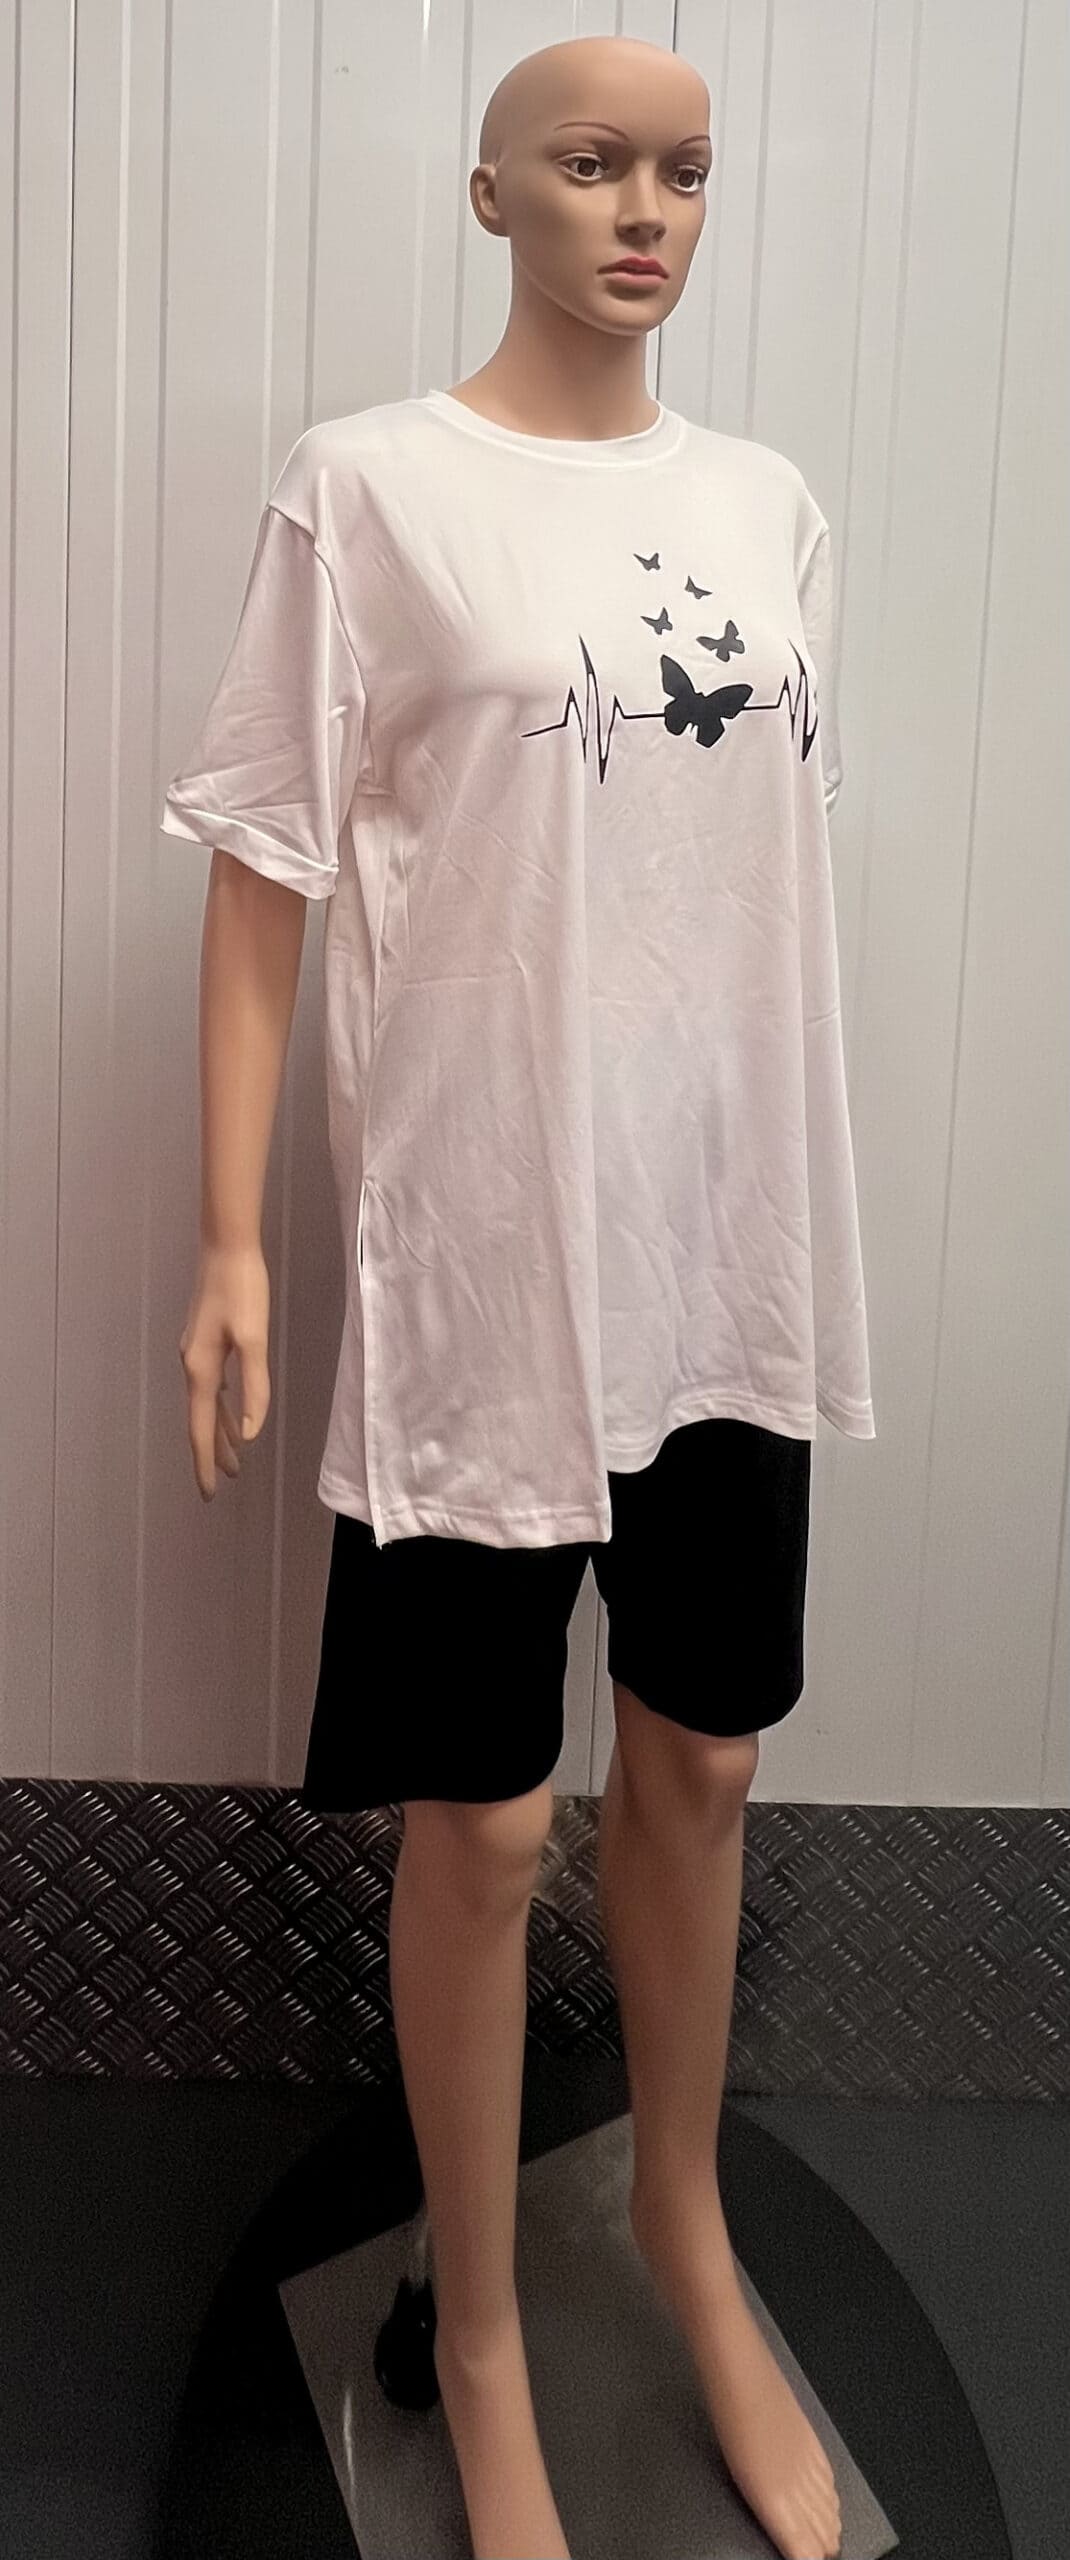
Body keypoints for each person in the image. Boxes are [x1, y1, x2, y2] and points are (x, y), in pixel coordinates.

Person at [165, 33, 871, 2559]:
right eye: (589, 163)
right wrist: (234, 1234)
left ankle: (681, 2226)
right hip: (481, 1262)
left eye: (684, 169)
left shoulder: (769, 509)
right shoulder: (369, 489)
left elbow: (729, 882)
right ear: (491, 194)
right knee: (480, 1816)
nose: (643, 208)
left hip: (726, 1247)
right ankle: (474, 2331)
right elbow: (264, 868)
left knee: (701, 1762)